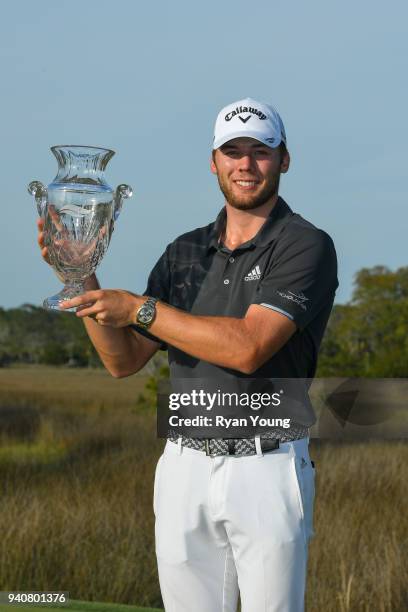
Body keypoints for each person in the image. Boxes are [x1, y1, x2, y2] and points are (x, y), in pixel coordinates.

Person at [37, 97, 338, 612]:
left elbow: (249, 348)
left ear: (284, 159)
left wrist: (140, 308)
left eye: (261, 151)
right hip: (183, 466)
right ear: (214, 161)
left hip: (267, 466)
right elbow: (123, 361)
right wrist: (81, 274)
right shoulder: (183, 250)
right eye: (232, 151)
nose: (246, 165)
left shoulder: (305, 244)